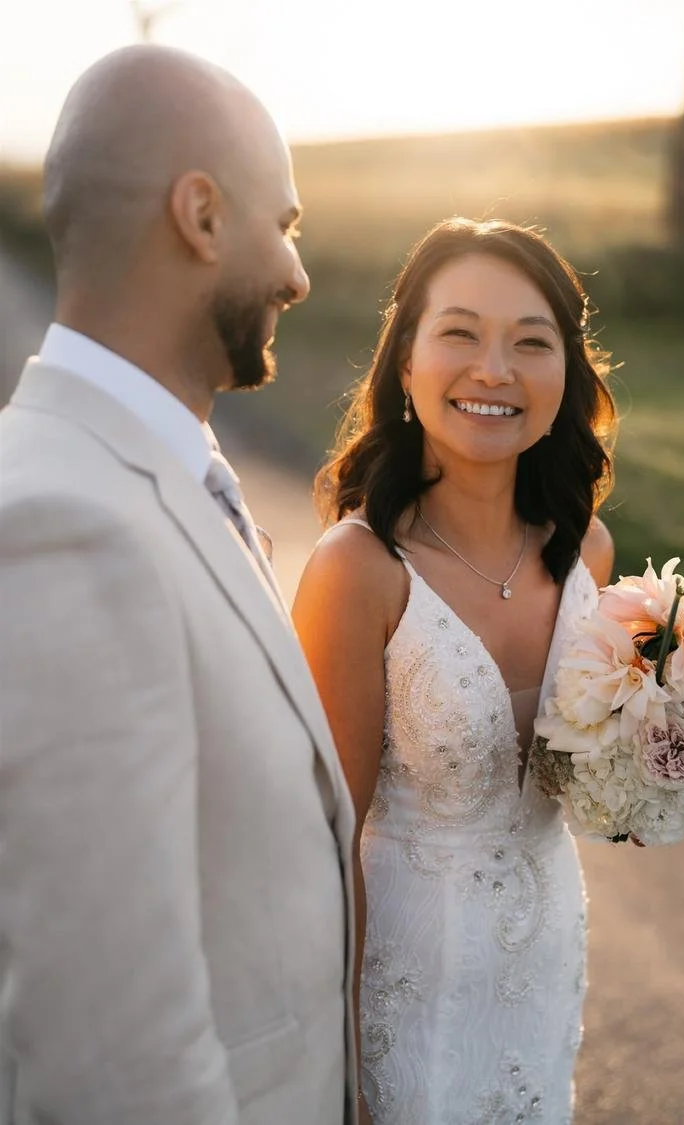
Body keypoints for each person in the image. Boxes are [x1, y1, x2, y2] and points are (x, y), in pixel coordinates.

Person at [0, 46, 357, 1125]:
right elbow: (115, 1062)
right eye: (283, 227)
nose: (297, 277)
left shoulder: (146, 467)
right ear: (200, 216)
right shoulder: (65, 527)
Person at [292, 218, 618, 1124]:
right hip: (405, 995)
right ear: (406, 363)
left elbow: (590, 778)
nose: (494, 369)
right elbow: (320, 840)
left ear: (568, 373)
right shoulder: (357, 570)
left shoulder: (588, 555)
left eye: (531, 342)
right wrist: (340, 1066)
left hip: (544, 960)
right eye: (461, 333)